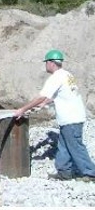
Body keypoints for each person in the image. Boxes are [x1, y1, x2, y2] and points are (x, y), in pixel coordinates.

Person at [14, 49, 95, 181]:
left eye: (46, 62)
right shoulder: (67, 75)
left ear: (51, 63)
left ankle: (90, 172)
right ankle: (64, 172)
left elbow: (41, 96)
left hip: (71, 118)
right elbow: (61, 94)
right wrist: (44, 103)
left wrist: (22, 109)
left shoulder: (56, 77)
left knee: (75, 145)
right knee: (64, 145)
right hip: (71, 118)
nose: (45, 65)